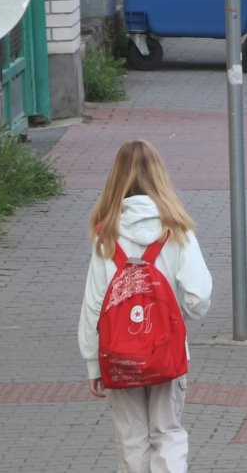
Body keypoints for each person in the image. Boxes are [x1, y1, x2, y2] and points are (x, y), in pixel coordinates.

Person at [79, 139, 212, 473]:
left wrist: (93, 362)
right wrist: (184, 315)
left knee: (131, 436)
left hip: (120, 353)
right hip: (166, 351)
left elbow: (94, 304)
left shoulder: (105, 235)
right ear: (160, 177)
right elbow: (199, 295)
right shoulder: (177, 229)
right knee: (166, 432)